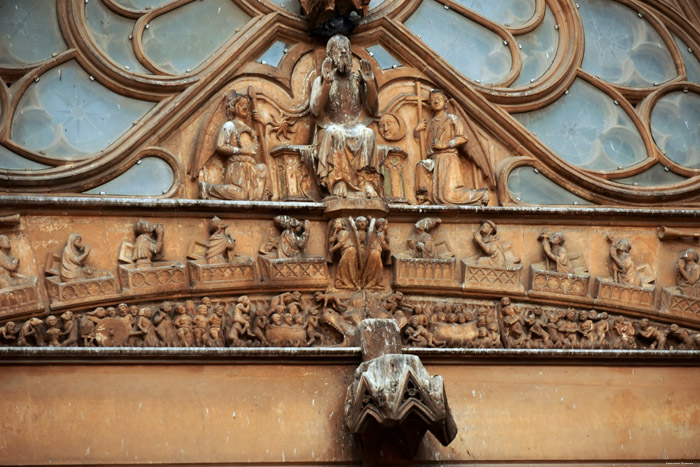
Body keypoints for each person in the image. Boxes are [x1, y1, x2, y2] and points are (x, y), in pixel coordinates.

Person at [310, 34, 381, 198]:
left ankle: (366, 181)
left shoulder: (357, 80)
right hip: (330, 127)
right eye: (338, 51)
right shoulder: (320, 81)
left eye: (346, 51)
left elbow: (372, 109)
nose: (343, 53)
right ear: (330, 56)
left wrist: (369, 83)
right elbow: (315, 110)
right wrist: (327, 84)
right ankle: (338, 180)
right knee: (335, 132)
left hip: (355, 126)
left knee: (368, 133)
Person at [414, 89, 489, 205]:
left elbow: (463, 138)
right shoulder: (430, 124)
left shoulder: (452, 119)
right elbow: (421, 145)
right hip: (434, 160)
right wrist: (417, 131)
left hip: (448, 158)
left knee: (449, 195)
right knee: (421, 166)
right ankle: (428, 198)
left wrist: (445, 145)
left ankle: (481, 194)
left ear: (444, 101)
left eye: (438, 98)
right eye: (432, 99)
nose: (436, 101)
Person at [200, 92, 267, 200]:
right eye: (241, 104)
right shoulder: (230, 125)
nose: (246, 107)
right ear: (233, 108)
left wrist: (262, 124)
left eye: (247, 105)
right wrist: (239, 151)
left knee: (257, 185)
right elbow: (220, 146)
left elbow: (259, 143)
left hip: (250, 166)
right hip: (237, 164)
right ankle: (207, 188)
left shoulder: (249, 129)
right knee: (241, 195)